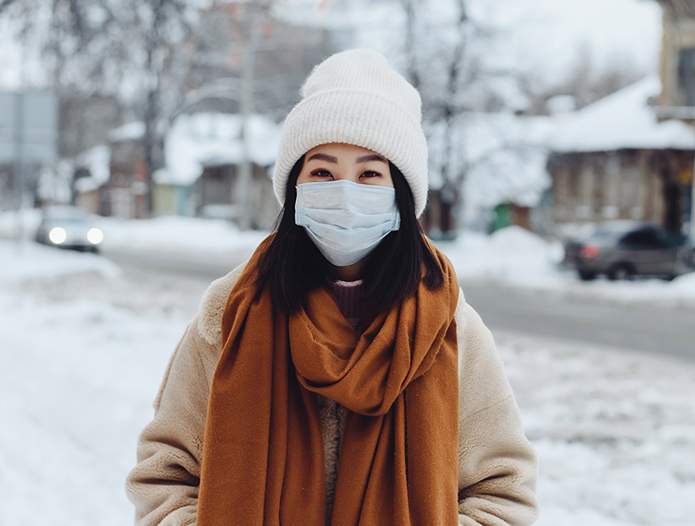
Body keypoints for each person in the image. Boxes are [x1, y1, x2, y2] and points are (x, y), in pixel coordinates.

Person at [125, 47, 538, 526]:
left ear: (400, 197)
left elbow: (503, 493)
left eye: (369, 174)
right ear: (295, 187)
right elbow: (165, 476)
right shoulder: (229, 315)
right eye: (322, 171)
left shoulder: (448, 329)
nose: (345, 190)